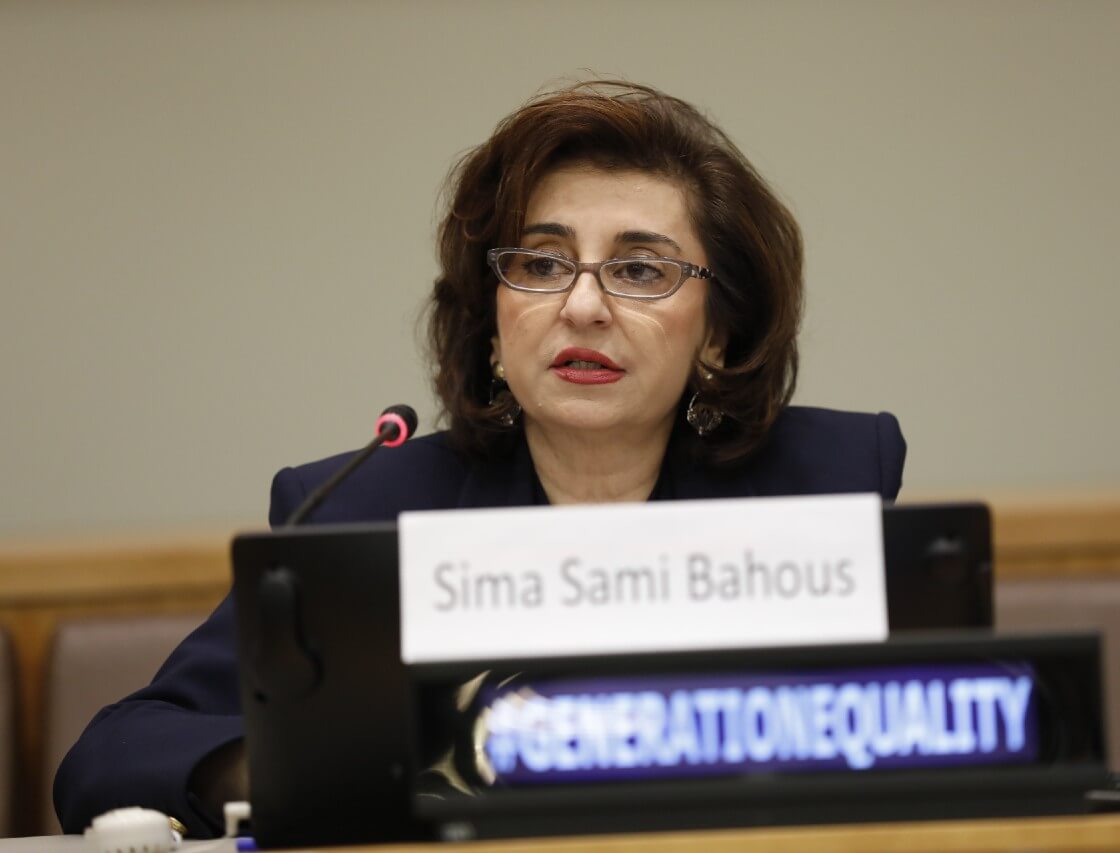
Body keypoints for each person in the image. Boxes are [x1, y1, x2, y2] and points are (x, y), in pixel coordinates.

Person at [53, 79, 906, 837]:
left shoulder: (821, 484)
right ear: (494, 326)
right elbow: (115, 752)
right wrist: (290, 772)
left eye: (641, 270)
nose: (583, 306)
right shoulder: (366, 508)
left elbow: (910, 738)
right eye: (541, 262)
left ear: (717, 332)